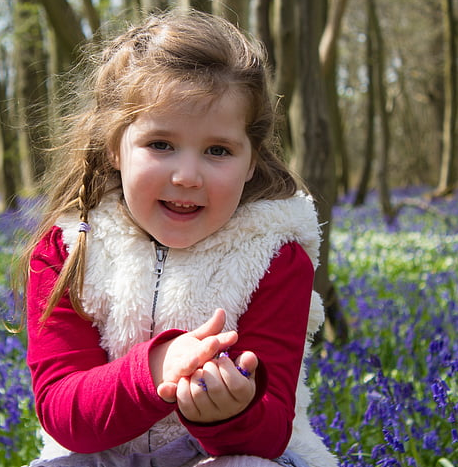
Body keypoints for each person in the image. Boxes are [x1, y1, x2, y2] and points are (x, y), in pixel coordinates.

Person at [19, 9, 338, 467]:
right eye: (161, 144)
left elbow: (268, 435)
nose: (187, 176)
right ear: (114, 145)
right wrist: (155, 369)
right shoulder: (70, 248)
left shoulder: (275, 255)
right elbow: (62, 412)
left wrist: (231, 411)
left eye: (217, 150)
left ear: (251, 161)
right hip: (99, 455)